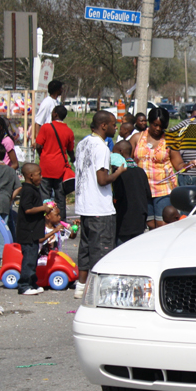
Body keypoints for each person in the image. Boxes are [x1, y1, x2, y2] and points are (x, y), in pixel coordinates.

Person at [73, 111, 127, 299]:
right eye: (113, 124)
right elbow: (102, 180)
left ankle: (81, 286)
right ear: (104, 125)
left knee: (85, 248)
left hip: (84, 205)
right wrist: (119, 172)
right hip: (100, 208)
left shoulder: (82, 144)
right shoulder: (102, 148)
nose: (116, 127)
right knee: (101, 250)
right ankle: (99, 292)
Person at [130, 108, 187, 229]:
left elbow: (178, 165)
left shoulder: (169, 140)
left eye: (161, 126)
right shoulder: (137, 138)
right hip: (143, 191)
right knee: (150, 224)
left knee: (163, 225)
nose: (158, 129)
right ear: (149, 122)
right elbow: (126, 160)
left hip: (164, 190)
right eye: (155, 125)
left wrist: (187, 166)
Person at [16, 163, 51, 295]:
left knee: (33, 259)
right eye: (39, 174)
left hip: (33, 232)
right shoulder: (27, 190)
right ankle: (24, 285)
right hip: (27, 232)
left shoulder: (33, 189)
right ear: (31, 176)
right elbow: (28, 209)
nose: (41, 177)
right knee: (29, 260)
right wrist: (43, 208)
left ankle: (32, 283)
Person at [35, 105, 75, 221]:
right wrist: (73, 160)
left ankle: (45, 221)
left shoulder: (46, 127)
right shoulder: (69, 131)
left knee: (45, 195)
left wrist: (42, 155)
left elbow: (38, 145)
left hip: (46, 166)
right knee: (60, 197)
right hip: (60, 168)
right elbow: (70, 150)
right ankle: (60, 221)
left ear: (55, 114)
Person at [111, 140, 150, 245]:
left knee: (121, 248)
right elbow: (147, 193)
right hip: (139, 219)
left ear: (121, 152)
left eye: (114, 153)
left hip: (124, 220)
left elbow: (118, 194)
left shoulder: (118, 174)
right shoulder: (140, 171)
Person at [0, 154, 22, 258]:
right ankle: (3, 254)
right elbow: (19, 187)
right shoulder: (10, 170)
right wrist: (10, 198)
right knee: (4, 229)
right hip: (4, 201)